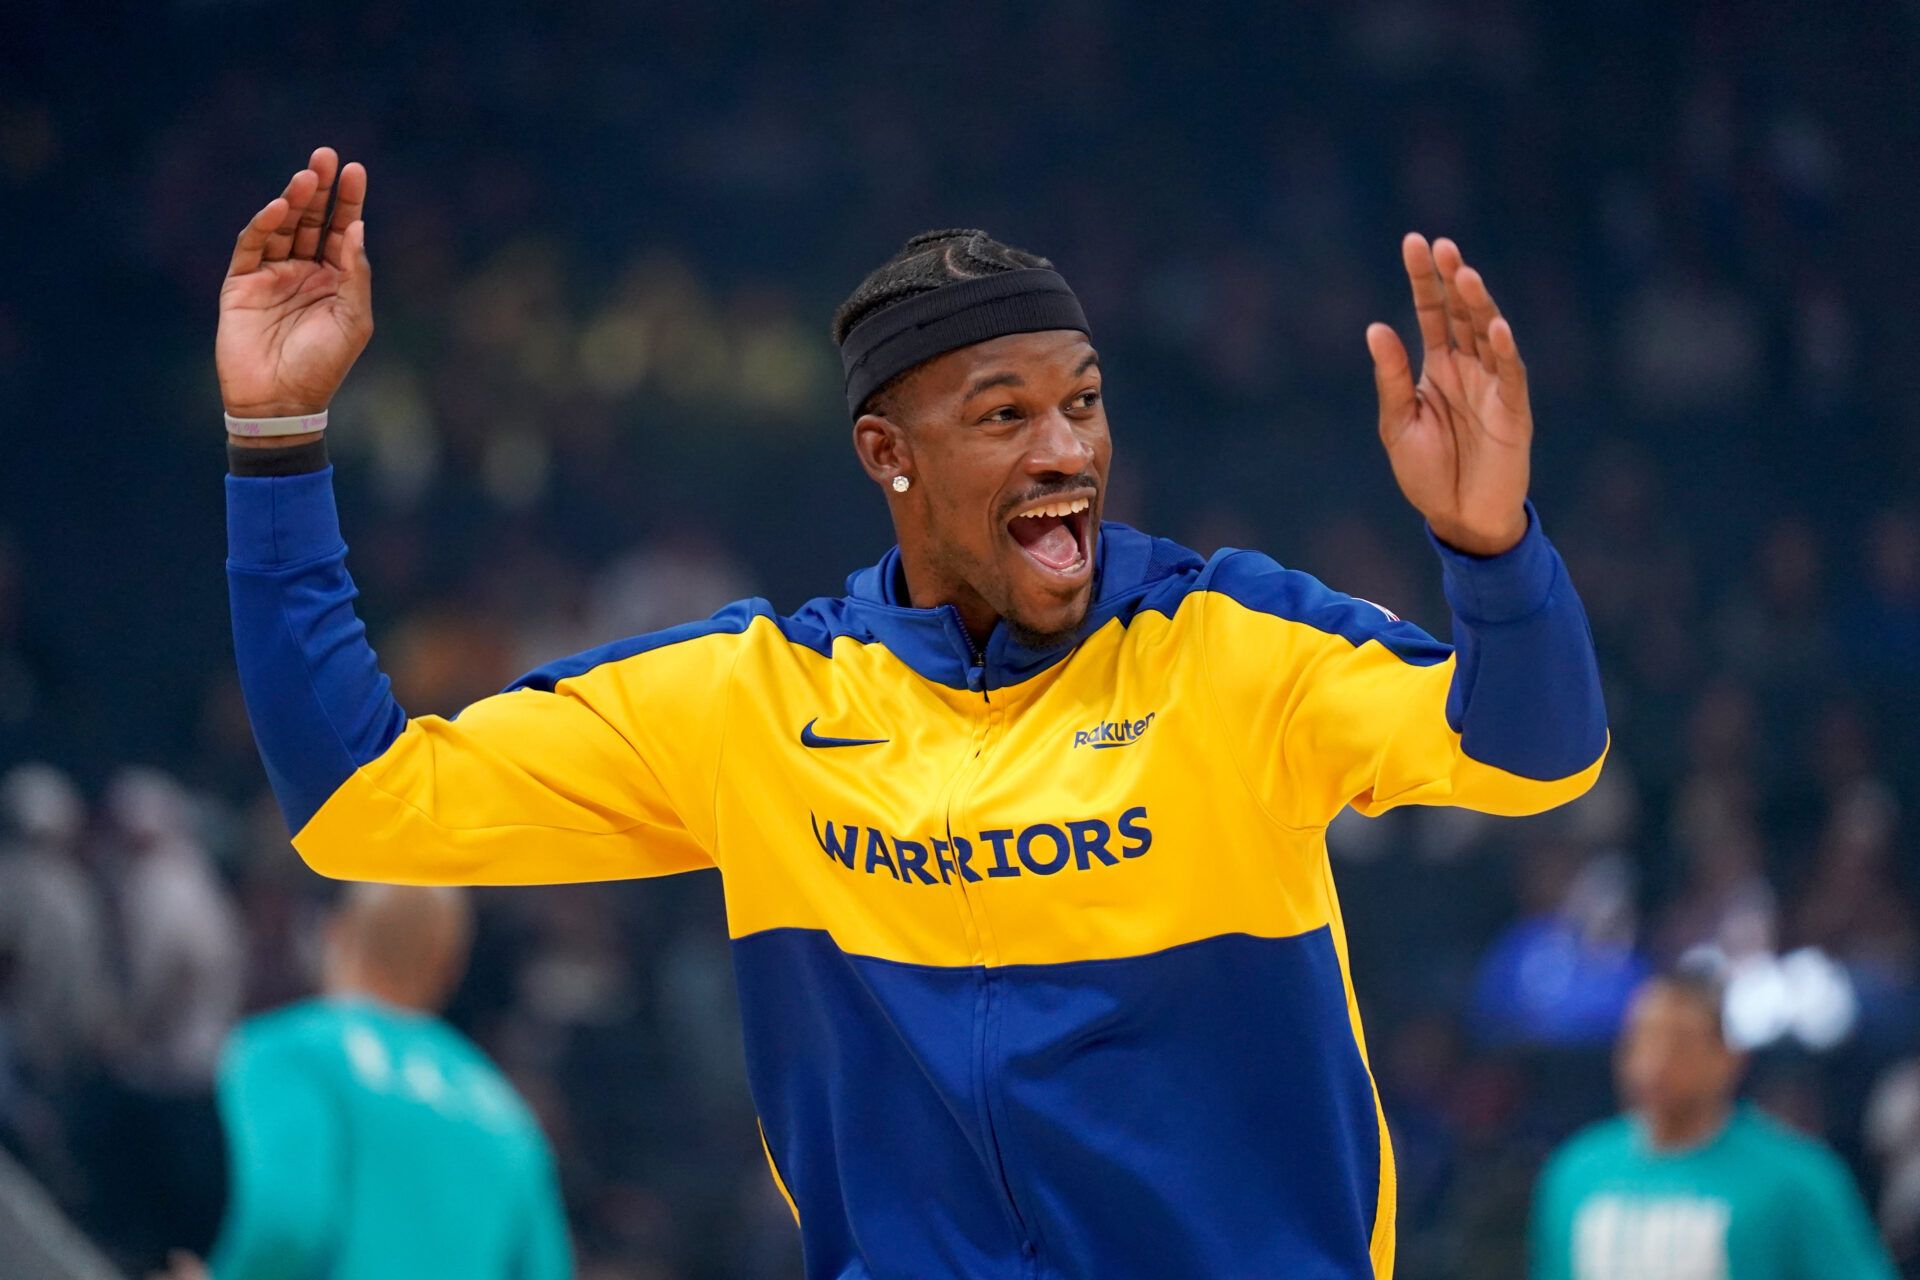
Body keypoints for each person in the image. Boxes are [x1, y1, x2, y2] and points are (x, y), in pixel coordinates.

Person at [217, 146, 1608, 1278]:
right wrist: (276, 449)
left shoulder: (1229, 646)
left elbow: (1533, 761)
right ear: (887, 454)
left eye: (1083, 404)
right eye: (1004, 416)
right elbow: (362, 809)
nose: (1065, 449)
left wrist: (1492, 555)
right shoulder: (754, 702)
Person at [163, 883, 571, 1280]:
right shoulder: (504, 1109)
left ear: (334, 934)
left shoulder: (290, 1053)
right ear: (447, 963)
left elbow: (287, 1223)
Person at [1530, 969, 1896, 1279]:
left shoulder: (1794, 1179)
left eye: (1679, 1043)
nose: (1653, 1063)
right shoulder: (1577, 1171)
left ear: (1729, 1059)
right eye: (1642, 1039)